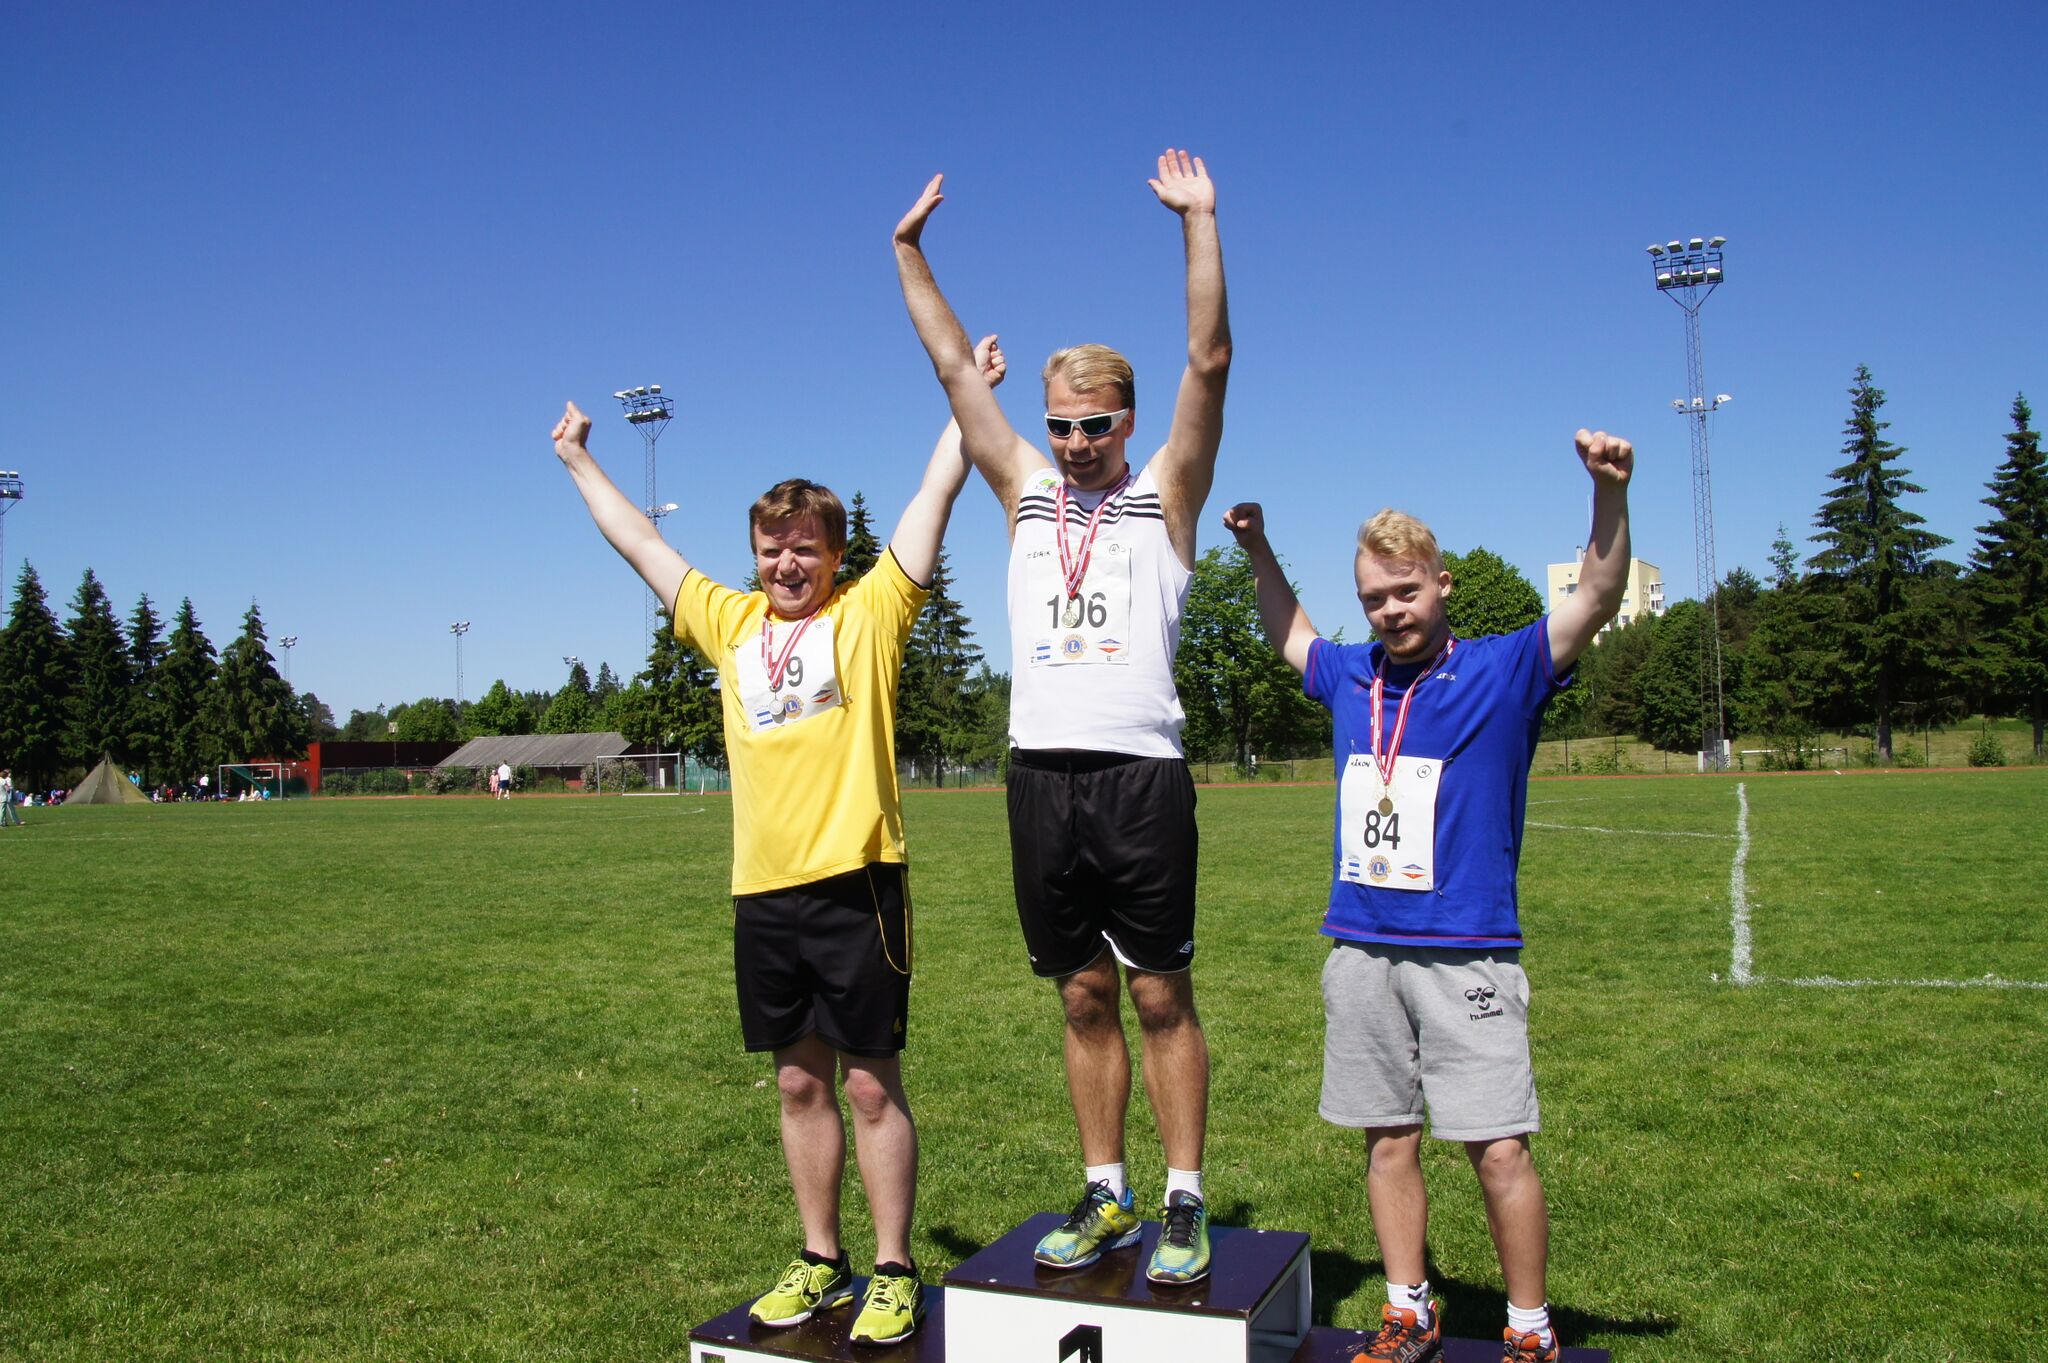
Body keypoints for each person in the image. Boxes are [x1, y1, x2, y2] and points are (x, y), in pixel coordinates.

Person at [549, 348, 987, 1347]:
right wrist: (577, 459)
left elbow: (932, 494)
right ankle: (821, 1259)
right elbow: (639, 546)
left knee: (870, 1079)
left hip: (857, 884)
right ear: (753, 552)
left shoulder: (869, 616)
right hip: (762, 890)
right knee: (797, 1079)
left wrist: (967, 398)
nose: (785, 564)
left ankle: (891, 1268)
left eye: (803, 548)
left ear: (834, 554)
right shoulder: (729, 622)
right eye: (770, 547)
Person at [1221, 427, 1636, 1363]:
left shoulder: (1505, 669)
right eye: (1374, 598)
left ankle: (1529, 1327)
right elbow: (1289, 629)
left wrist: (1608, 494)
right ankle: (1408, 1305)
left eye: (1405, 591)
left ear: (1441, 583)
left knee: (1497, 1148)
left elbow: (1599, 594)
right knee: (1387, 1138)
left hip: (1468, 949)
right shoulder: (1352, 675)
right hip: (1361, 945)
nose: (1391, 612)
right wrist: (1255, 547)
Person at [892, 149, 1231, 1285]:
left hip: (1139, 773)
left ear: (1125, 423)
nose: (1078, 445)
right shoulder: (1025, 490)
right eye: (1063, 427)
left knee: (1157, 991)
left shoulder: (1163, 496)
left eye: (1094, 426)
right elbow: (950, 368)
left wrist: (1198, 222)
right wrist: (908, 251)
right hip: (1038, 777)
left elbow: (1209, 358)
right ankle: (1106, 1194)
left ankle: (1183, 1200)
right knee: (1083, 993)